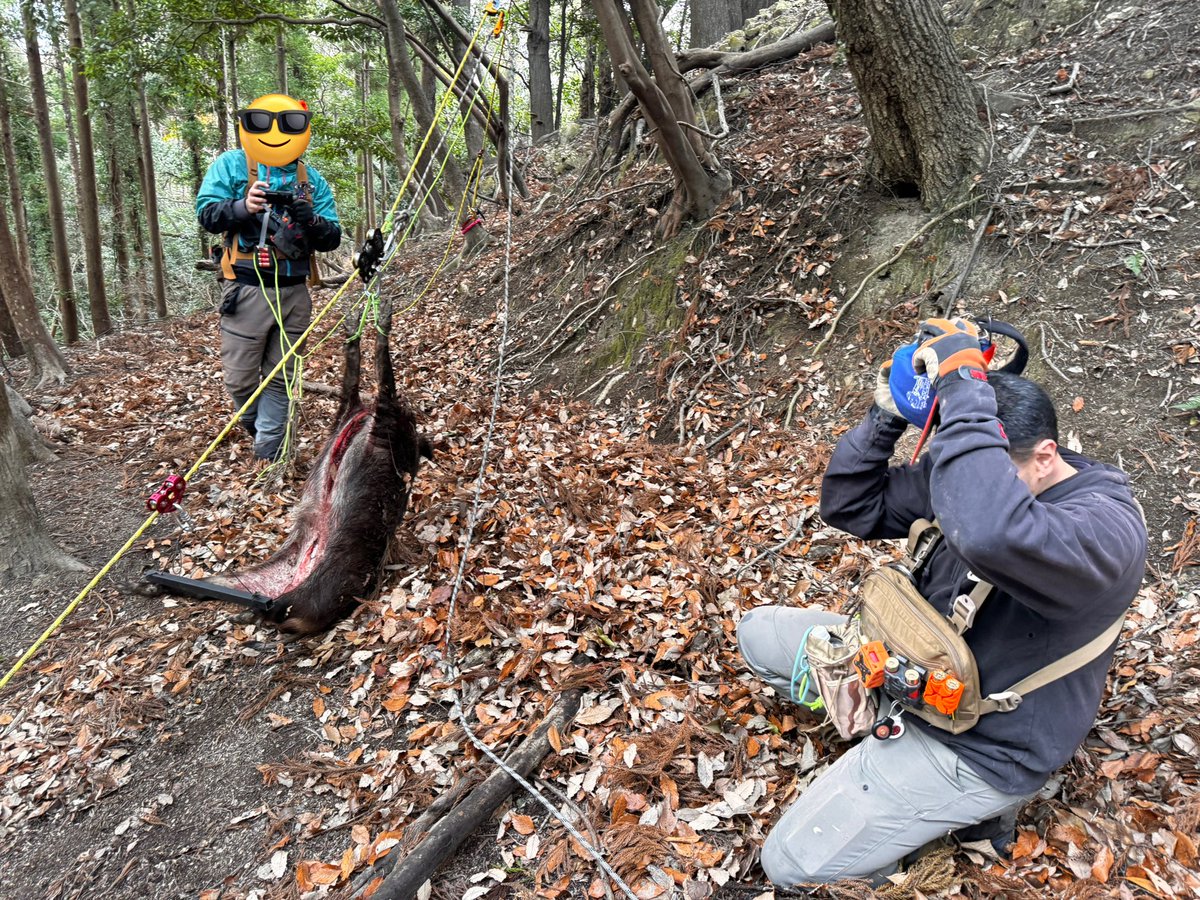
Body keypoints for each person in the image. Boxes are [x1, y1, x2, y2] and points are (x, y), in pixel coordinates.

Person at [737, 317, 1146, 885]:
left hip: (985, 742)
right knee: (758, 633)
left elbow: (988, 527)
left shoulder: (1106, 530)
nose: (958, 488)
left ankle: (971, 815)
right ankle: (876, 731)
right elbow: (851, 504)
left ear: (1047, 455)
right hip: (912, 668)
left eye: (990, 471)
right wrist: (889, 414)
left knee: (789, 865)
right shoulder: (973, 471)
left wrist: (962, 391)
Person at [196, 93, 342, 462]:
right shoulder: (232, 165)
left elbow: (332, 237)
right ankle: (259, 429)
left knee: (282, 377)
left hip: (294, 293)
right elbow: (207, 214)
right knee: (240, 379)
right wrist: (243, 206)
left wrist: (308, 217)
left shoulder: (312, 181)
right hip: (246, 289)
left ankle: (270, 451)